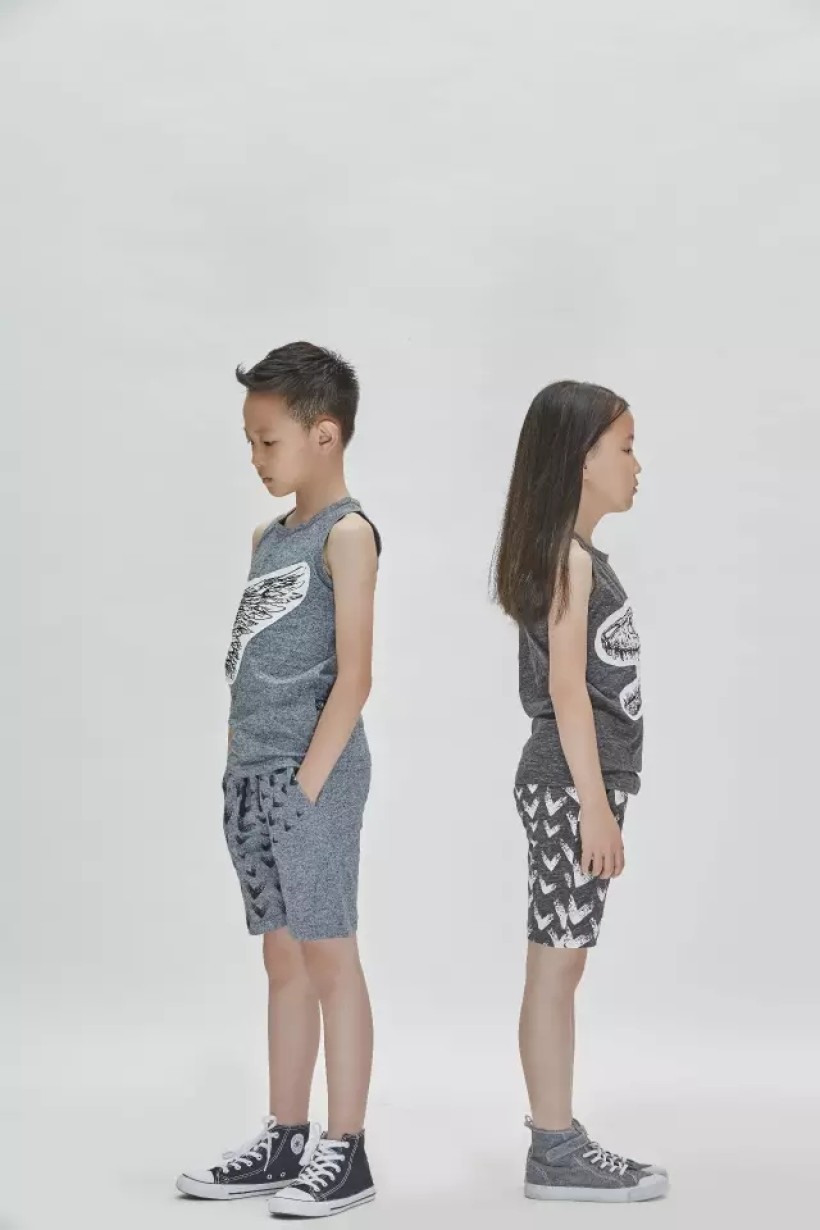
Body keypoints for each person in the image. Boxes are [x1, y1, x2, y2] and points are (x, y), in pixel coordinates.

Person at [176, 341, 381, 1218]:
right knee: (283, 961)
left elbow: (355, 677)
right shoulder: (267, 538)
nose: (256, 459)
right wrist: (241, 765)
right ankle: (286, 1136)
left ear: (323, 435)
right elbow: (253, 663)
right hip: (253, 778)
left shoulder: (348, 535)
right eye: (251, 443)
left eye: (268, 441)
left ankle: (347, 1149)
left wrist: (305, 789)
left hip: (314, 781)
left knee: (331, 957)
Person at [492, 380, 669, 1203]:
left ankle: (555, 1138)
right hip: (571, 786)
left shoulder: (577, 557)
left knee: (557, 966)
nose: (637, 464)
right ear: (580, 460)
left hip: (574, 785)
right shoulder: (568, 559)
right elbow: (568, 691)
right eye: (625, 447)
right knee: (556, 969)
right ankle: (554, 1147)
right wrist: (595, 806)